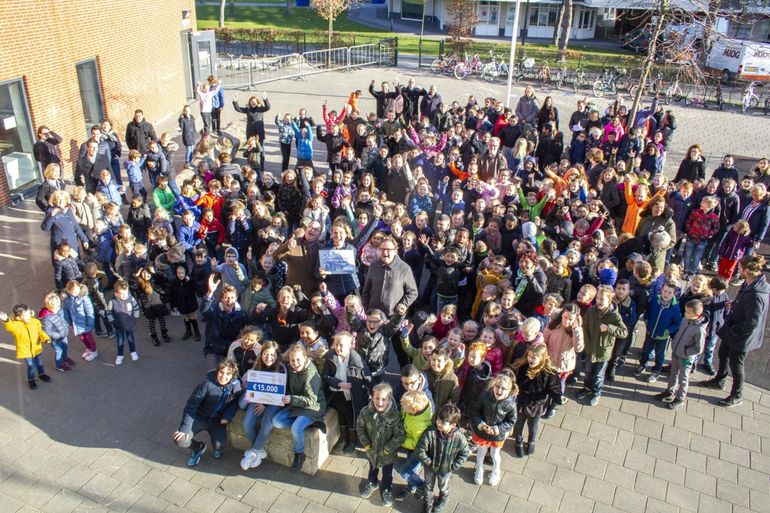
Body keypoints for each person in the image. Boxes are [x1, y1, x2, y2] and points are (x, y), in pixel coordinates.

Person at [701, 255, 770, 407]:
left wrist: (733, 330)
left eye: (739, 267)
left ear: (746, 270)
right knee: (723, 353)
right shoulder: (749, 284)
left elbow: (752, 323)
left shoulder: (757, 295)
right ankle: (719, 381)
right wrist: (735, 305)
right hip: (733, 329)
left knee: (736, 365)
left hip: (741, 336)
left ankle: (737, 395)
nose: (738, 269)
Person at [362, 235, 418, 367]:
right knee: (374, 351)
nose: (385, 252)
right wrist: (367, 310)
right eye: (382, 249)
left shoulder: (404, 268)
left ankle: (406, 378)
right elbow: (366, 290)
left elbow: (413, 292)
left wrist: (402, 306)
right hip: (375, 318)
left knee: (400, 351)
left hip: (394, 318)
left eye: (389, 249)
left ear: (395, 250)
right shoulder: (374, 265)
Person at [173, 359, 241, 466]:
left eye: (228, 374)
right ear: (217, 371)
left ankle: (216, 447)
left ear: (232, 376)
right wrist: (185, 428)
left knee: (220, 446)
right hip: (199, 417)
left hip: (217, 421)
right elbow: (191, 406)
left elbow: (235, 403)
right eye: (221, 372)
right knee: (180, 440)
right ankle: (198, 448)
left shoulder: (235, 387)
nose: (223, 376)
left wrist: (227, 416)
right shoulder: (206, 385)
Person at [272, 343, 327, 472]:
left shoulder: (310, 375)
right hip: (297, 404)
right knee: (276, 421)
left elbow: (311, 400)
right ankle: (301, 425)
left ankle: (300, 454)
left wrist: (292, 399)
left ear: (305, 358)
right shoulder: (290, 368)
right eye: (292, 360)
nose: (295, 363)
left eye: (298, 360)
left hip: (313, 407)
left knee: (296, 428)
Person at [322, 331, 371, 455]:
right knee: (341, 415)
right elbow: (325, 376)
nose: (338, 348)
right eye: (336, 344)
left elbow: (367, 377)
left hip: (353, 396)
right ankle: (343, 437)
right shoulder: (330, 357)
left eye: (341, 345)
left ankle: (352, 440)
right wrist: (338, 383)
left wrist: (372, 390)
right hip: (337, 394)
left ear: (350, 345)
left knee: (352, 417)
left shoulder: (357, 360)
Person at [356, 382, 405, 508]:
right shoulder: (366, 412)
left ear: (389, 399)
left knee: (387, 473)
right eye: (377, 398)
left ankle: (387, 489)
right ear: (372, 397)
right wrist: (366, 444)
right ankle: (372, 482)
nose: (380, 402)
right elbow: (360, 427)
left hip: (387, 454)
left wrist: (388, 449)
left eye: (384, 399)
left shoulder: (394, 416)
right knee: (372, 468)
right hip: (371, 450)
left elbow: (399, 435)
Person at [239, 341, 285, 471]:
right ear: (261, 354)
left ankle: (254, 451)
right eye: (265, 354)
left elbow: (281, 391)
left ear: (277, 355)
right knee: (247, 424)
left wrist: (264, 403)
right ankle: (259, 450)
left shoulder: (281, 368)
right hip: (258, 400)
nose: (268, 357)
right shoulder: (257, 366)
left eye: (272, 355)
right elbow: (254, 386)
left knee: (267, 423)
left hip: (274, 402)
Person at [415, 403, 470, 513]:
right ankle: (428, 504)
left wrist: (454, 466)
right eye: (438, 420)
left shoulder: (459, 437)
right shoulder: (430, 432)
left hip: (446, 470)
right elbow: (420, 450)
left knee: (444, 487)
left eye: (443, 423)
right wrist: (429, 462)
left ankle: (442, 501)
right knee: (428, 487)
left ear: (453, 425)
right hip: (430, 467)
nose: (438, 423)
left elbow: (464, 453)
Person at [579, 285, 628, 405]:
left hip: (603, 351)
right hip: (591, 348)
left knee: (598, 375)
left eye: (602, 299)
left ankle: (596, 392)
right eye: (598, 298)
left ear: (609, 300)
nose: (599, 301)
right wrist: (587, 342)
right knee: (588, 371)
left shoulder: (614, 316)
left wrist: (609, 328)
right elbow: (584, 327)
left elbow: (624, 332)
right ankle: (586, 388)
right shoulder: (591, 311)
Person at [510, 344, 561, 456]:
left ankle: (531, 441)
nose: (530, 359)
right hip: (521, 403)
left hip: (537, 405)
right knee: (518, 424)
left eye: (534, 357)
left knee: (533, 426)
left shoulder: (549, 373)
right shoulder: (521, 367)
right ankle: (518, 441)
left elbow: (554, 388)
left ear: (542, 358)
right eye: (529, 356)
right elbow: (513, 380)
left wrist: (557, 398)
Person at [656, 299, 706, 410]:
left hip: (685, 358)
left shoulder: (700, 330)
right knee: (673, 373)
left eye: (688, 312)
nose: (685, 314)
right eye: (685, 311)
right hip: (676, 352)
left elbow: (698, 348)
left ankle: (680, 399)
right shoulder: (685, 320)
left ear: (697, 315)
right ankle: (670, 392)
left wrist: (685, 352)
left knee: (683, 378)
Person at [470, 372, 517, 486]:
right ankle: (479, 469)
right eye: (497, 386)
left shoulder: (510, 404)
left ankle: (496, 471)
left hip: (497, 434)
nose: (499, 390)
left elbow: (511, 420)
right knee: (481, 451)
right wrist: (481, 424)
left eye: (503, 388)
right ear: (494, 385)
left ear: (509, 390)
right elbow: (475, 411)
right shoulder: (485, 396)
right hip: (483, 431)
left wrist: (497, 429)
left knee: (495, 454)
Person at [200, 275, 250, 370]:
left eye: (232, 298)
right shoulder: (213, 310)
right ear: (221, 299)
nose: (229, 301)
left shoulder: (242, 314)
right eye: (226, 298)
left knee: (233, 378)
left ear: (236, 299)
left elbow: (251, 329)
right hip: (214, 350)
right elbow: (204, 311)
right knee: (213, 377)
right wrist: (210, 293)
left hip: (233, 351)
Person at [1, 304, 51, 389]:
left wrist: (46, 338)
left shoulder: (35, 322)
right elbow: (10, 326)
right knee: (31, 366)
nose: (29, 315)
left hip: (36, 348)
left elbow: (40, 332)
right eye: (26, 315)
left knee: (40, 363)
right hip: (26, 351)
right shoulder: (16, 326)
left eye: (28, 313)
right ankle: (31, 380)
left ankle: (41, 374)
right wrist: (6, 320)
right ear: (19, 317)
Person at [109, 280, 140, 365]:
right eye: (122, 294)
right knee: (120, 340)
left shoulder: (131, 299)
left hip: (129, 324)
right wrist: (112, 321)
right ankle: (120, 355)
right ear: (116, 294)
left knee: (131, 338)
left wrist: (135, 318)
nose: (124, 296)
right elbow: (108, 312)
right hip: (118, 325)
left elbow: (136, 307)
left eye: (126, 294)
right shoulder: (112, 302)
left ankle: (133, 351)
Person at [39, 292, 71, 372]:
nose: (57, 309)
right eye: (55, 308)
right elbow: (48, 331)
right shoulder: (47, 318)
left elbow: (63, 319)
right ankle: (59, 365)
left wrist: (66, 325)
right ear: (48, 307)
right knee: (59, 351)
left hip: (63, 335)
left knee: (65, 347)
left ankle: (65, 359)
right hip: (56, 339)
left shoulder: (59, 310)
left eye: (58, 306)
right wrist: (59, 335)